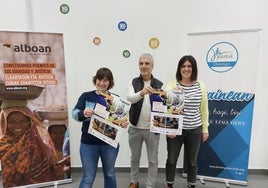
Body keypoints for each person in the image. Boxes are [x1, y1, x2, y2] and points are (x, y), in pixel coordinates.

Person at [72, 67, 129, 188]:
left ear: (110, 83)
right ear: (95, 80)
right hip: (88, 144)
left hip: (109, 144)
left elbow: (120, 120)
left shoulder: (116, 99)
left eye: (105, 80)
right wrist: (83, 113)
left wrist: (123, 123)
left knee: (109, 174)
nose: (102, 83)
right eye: (100, 79)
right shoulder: (86, 96)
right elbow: (74, 114)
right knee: (88, 176)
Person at [165, 55, 209, 188]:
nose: (186, 69)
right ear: (179, 68)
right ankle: (169, 184)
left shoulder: (201, 85)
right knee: (172, 160)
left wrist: (205, 129)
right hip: (175, 129)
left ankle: (191, 184)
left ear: (193, 68)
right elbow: (165, 108)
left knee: (192, 161)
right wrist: (169, 128)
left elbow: (204, 109)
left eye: (189, 66)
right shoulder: (172, 84)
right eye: (183, 66)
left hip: (195, 129)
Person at [0, 106, 62, 188]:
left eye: (22, 121)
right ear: (4, 123)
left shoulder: (38, 146)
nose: (18, 125)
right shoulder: (2, 145)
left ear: (29, 122)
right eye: (12, 121)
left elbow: (51, 172)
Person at [127, 53, 163, 188]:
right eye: (141, 63)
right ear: (138, 65)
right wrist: (142, 92)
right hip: (135, 127)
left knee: (153, 160)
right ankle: (134, 181)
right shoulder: (133, 82)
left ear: (152, 66)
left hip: (152, 129)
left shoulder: (159, 84)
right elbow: (130, 98)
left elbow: (165, 105)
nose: (144, 66)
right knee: (134, 158)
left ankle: (150, 185)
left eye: (147, 63)